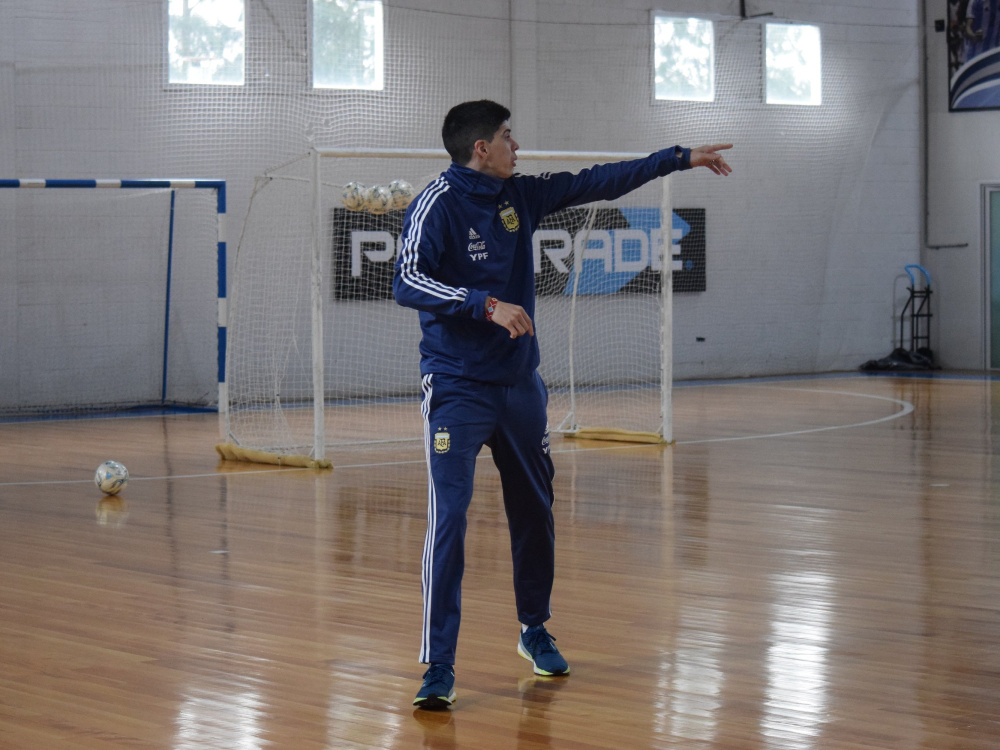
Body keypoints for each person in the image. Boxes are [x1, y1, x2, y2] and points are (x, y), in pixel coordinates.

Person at [392, 99, 732, 710]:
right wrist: (485, 305)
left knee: (535, 509)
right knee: (449, 519)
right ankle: (438, 665)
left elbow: (599, 180)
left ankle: (534, 628)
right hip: (457, 387)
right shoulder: (436, 204)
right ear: (481, 148)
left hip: (520, 387)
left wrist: (678, 158)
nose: (516, 145)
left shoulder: (520, 196)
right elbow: (406, 280)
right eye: (507, 136)